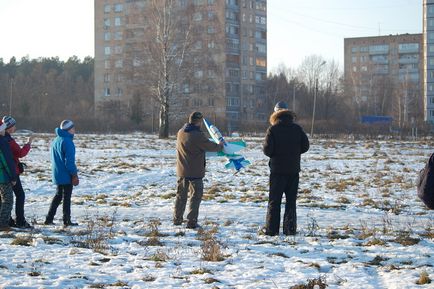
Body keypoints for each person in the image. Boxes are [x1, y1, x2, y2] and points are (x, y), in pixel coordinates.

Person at [262, 101, 309, 236]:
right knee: (291, 202)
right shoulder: (297, 128)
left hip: (277, 171)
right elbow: (305, 146)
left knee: (274, 201)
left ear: (275, 114)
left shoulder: (273, 130)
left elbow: (267, 150)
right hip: (293, 171)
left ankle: (272, 230)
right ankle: (290, 229)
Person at [173, 111, 223, 229]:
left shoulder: (181, 132)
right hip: (195, 172)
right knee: (195, 197)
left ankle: (177, 219)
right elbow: (210, 146)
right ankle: (191, 221)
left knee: (181, 196)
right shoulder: (197, 135)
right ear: (199, 122)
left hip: (182, 171)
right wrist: (220, 145)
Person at [44, 120, 79, 226]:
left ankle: (49, 218)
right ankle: (66, 220)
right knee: (66, 197)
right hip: (66, 174)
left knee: (58, 196)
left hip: (57, 173)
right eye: (73, 128)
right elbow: (69, 162)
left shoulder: (56, 140)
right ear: (69, 130)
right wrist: (74, 174)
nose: (74, 130)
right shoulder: (68, 142)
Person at [2, 116, 33, 229]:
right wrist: (28, 144)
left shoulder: (4, 138)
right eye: (13, 125)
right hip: (11, 173)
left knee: (5, 197)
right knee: (19, 195)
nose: (15, 127)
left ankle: (8, 220)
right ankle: (20, 220)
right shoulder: (8, 141)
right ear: (9, 128)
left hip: (6, 173)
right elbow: (20, 153)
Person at [0, 122, 17, 230]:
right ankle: (3, 224)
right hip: (3, 176)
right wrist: (13, 177)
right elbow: (8, 161)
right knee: (8, 200)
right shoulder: (2, 142)